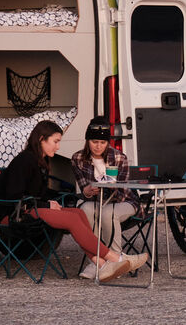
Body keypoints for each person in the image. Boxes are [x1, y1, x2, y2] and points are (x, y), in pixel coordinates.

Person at [2, 120, 147, 283]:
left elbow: (38, 194)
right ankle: (116, 258)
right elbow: (13, 198)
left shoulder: (41, 160)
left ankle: (100, 264)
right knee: (72, 218)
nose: (58, 147)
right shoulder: (25, 160)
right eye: (55, 142)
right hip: (15, 215)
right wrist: (47, 204)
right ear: (41, 139)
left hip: (31, 209)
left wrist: (51, 200)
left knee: (78, 212)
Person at [71, 119, 140, 280]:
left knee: (108, 211)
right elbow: (83, 188)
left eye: (103, 142)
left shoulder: (118, 157)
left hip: (124, 201)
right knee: (85, 210)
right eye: (94, 141)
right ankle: (97, 261)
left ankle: (115, 258)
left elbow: (123, 191)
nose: (98, 146)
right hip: (95, 201)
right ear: (87, 141)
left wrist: (108, 188)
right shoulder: (78, 158)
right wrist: (87, 191)